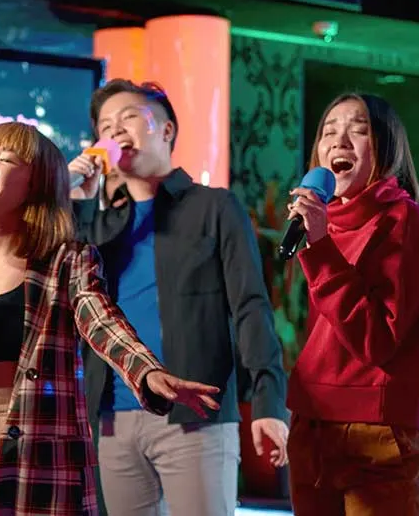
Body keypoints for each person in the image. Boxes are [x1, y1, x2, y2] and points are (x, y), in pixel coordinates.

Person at [0, 121, 220, 515]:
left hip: (39, 439)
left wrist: (146, 372)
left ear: (38, 184)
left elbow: (102, 322)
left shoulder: (68, 260)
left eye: (5, 159)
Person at [69, 79, 289, 516]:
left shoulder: (215, 207)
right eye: (105, 125)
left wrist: (268, 401)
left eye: (129, 117)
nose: (115, 130)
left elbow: (250, 306)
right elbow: (69, 299)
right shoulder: (96, 226)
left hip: (195, 415)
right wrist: (79, 201)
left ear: (166, 130)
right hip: (112, 415)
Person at [284, 92, 419, 515]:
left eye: (358, 129)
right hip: (311, 424)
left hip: (378, 431)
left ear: (385, 148)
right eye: (329, 132)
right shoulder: (321, 222)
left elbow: (378, 339)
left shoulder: (402, 221)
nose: (339, 140)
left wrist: (319, 249)